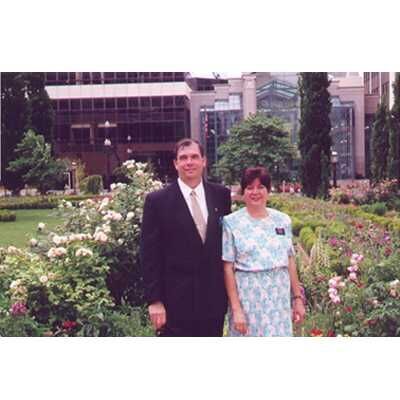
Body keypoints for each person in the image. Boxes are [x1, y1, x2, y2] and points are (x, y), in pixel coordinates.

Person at [140, 138, 231, 336]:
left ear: (204, 161)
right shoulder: (157, 201)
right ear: (175, 163)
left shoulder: (221, 195)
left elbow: (226, 247)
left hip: (212, 301)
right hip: (175, 303)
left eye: (194, 157)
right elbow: (149, 255)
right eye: (183, 158)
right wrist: (155, 301)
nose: (189, 162)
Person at [222, 167, 305, 336]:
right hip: (248, 301)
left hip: (278, 301)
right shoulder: (231, 223)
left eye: (261, 187)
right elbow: (227, 268)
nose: (255, 192)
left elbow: (289, 259)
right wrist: (236, 309)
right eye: (250, 188)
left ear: (268, 190)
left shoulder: (283, 220)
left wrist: (297, 299)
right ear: (243, 192)